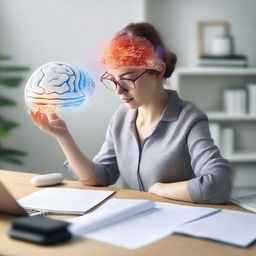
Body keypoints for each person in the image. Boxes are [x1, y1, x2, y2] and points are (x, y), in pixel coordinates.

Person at [29, 22, 232, 204]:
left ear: (158, 70)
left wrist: (159, 189)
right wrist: (63, 136)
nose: (119, 90)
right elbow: (100, 176)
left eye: (127, 78)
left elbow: (218, 185)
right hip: (137, 223)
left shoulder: (189, 119)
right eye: (114, 80)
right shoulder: (121, 117)